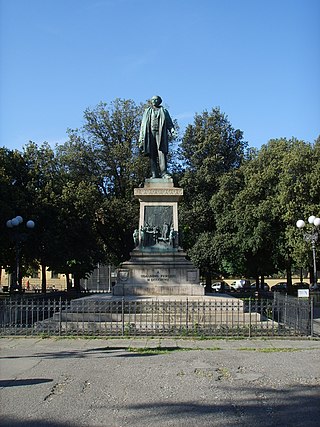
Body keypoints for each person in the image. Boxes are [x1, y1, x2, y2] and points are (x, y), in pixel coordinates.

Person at [139, 95, 174, 179]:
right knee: (152, 153)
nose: (154, 101)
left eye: (156, 100)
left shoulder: (164, 111)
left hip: (161, 133)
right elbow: (143, 125)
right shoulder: (147, 111)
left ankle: (164, 173)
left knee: (161, 152)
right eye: (153, 100)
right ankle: (154, 173)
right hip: (150, 133)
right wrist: (141, 138)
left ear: (159, 101)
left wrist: (172, 130)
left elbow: (169, 122)